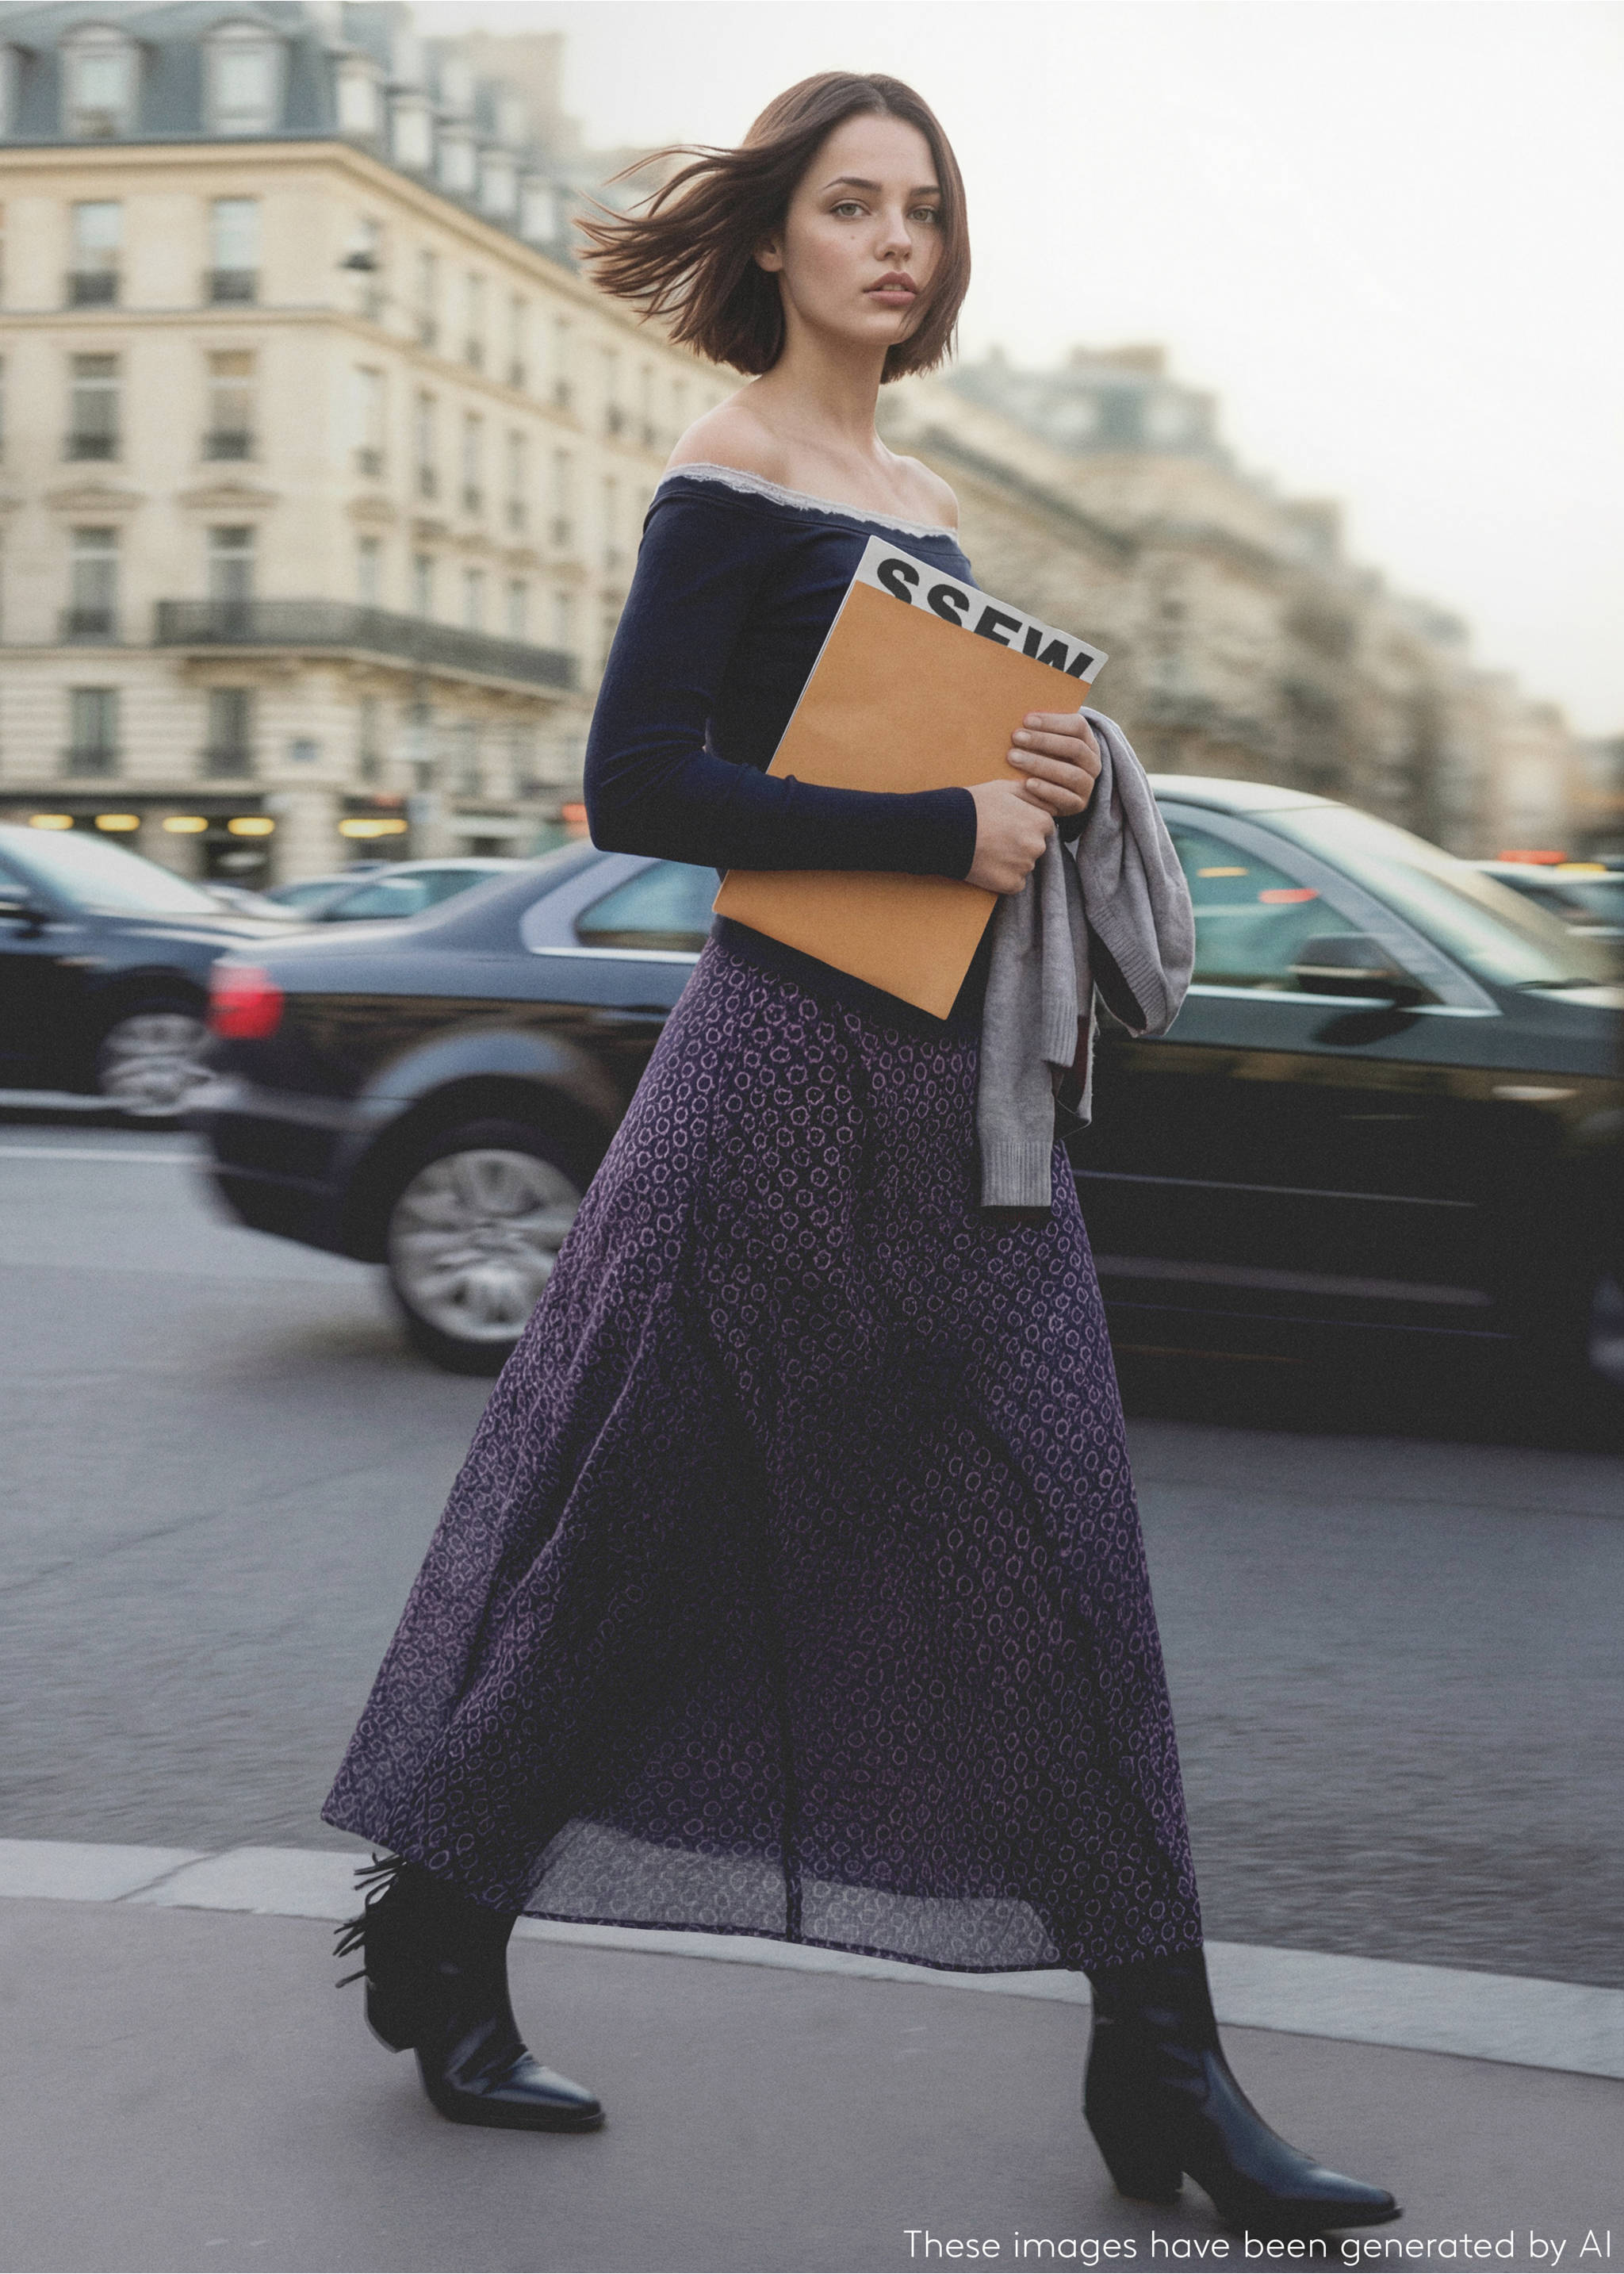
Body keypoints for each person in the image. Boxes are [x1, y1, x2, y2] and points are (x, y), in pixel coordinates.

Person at [324, 71, 1399, 2234]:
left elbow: (953, 776)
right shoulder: (725, 482)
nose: (897, 240)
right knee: (634, 1550)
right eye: (853, 204)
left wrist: (1057, 766)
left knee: (1067, 1559)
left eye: (924, 207)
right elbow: (642, 787)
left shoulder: (929, 503)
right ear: (784, 243)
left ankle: (1158, 2066)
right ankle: (439, 1917)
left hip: (966, 1125)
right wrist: (934, 823)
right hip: (777, 1103)